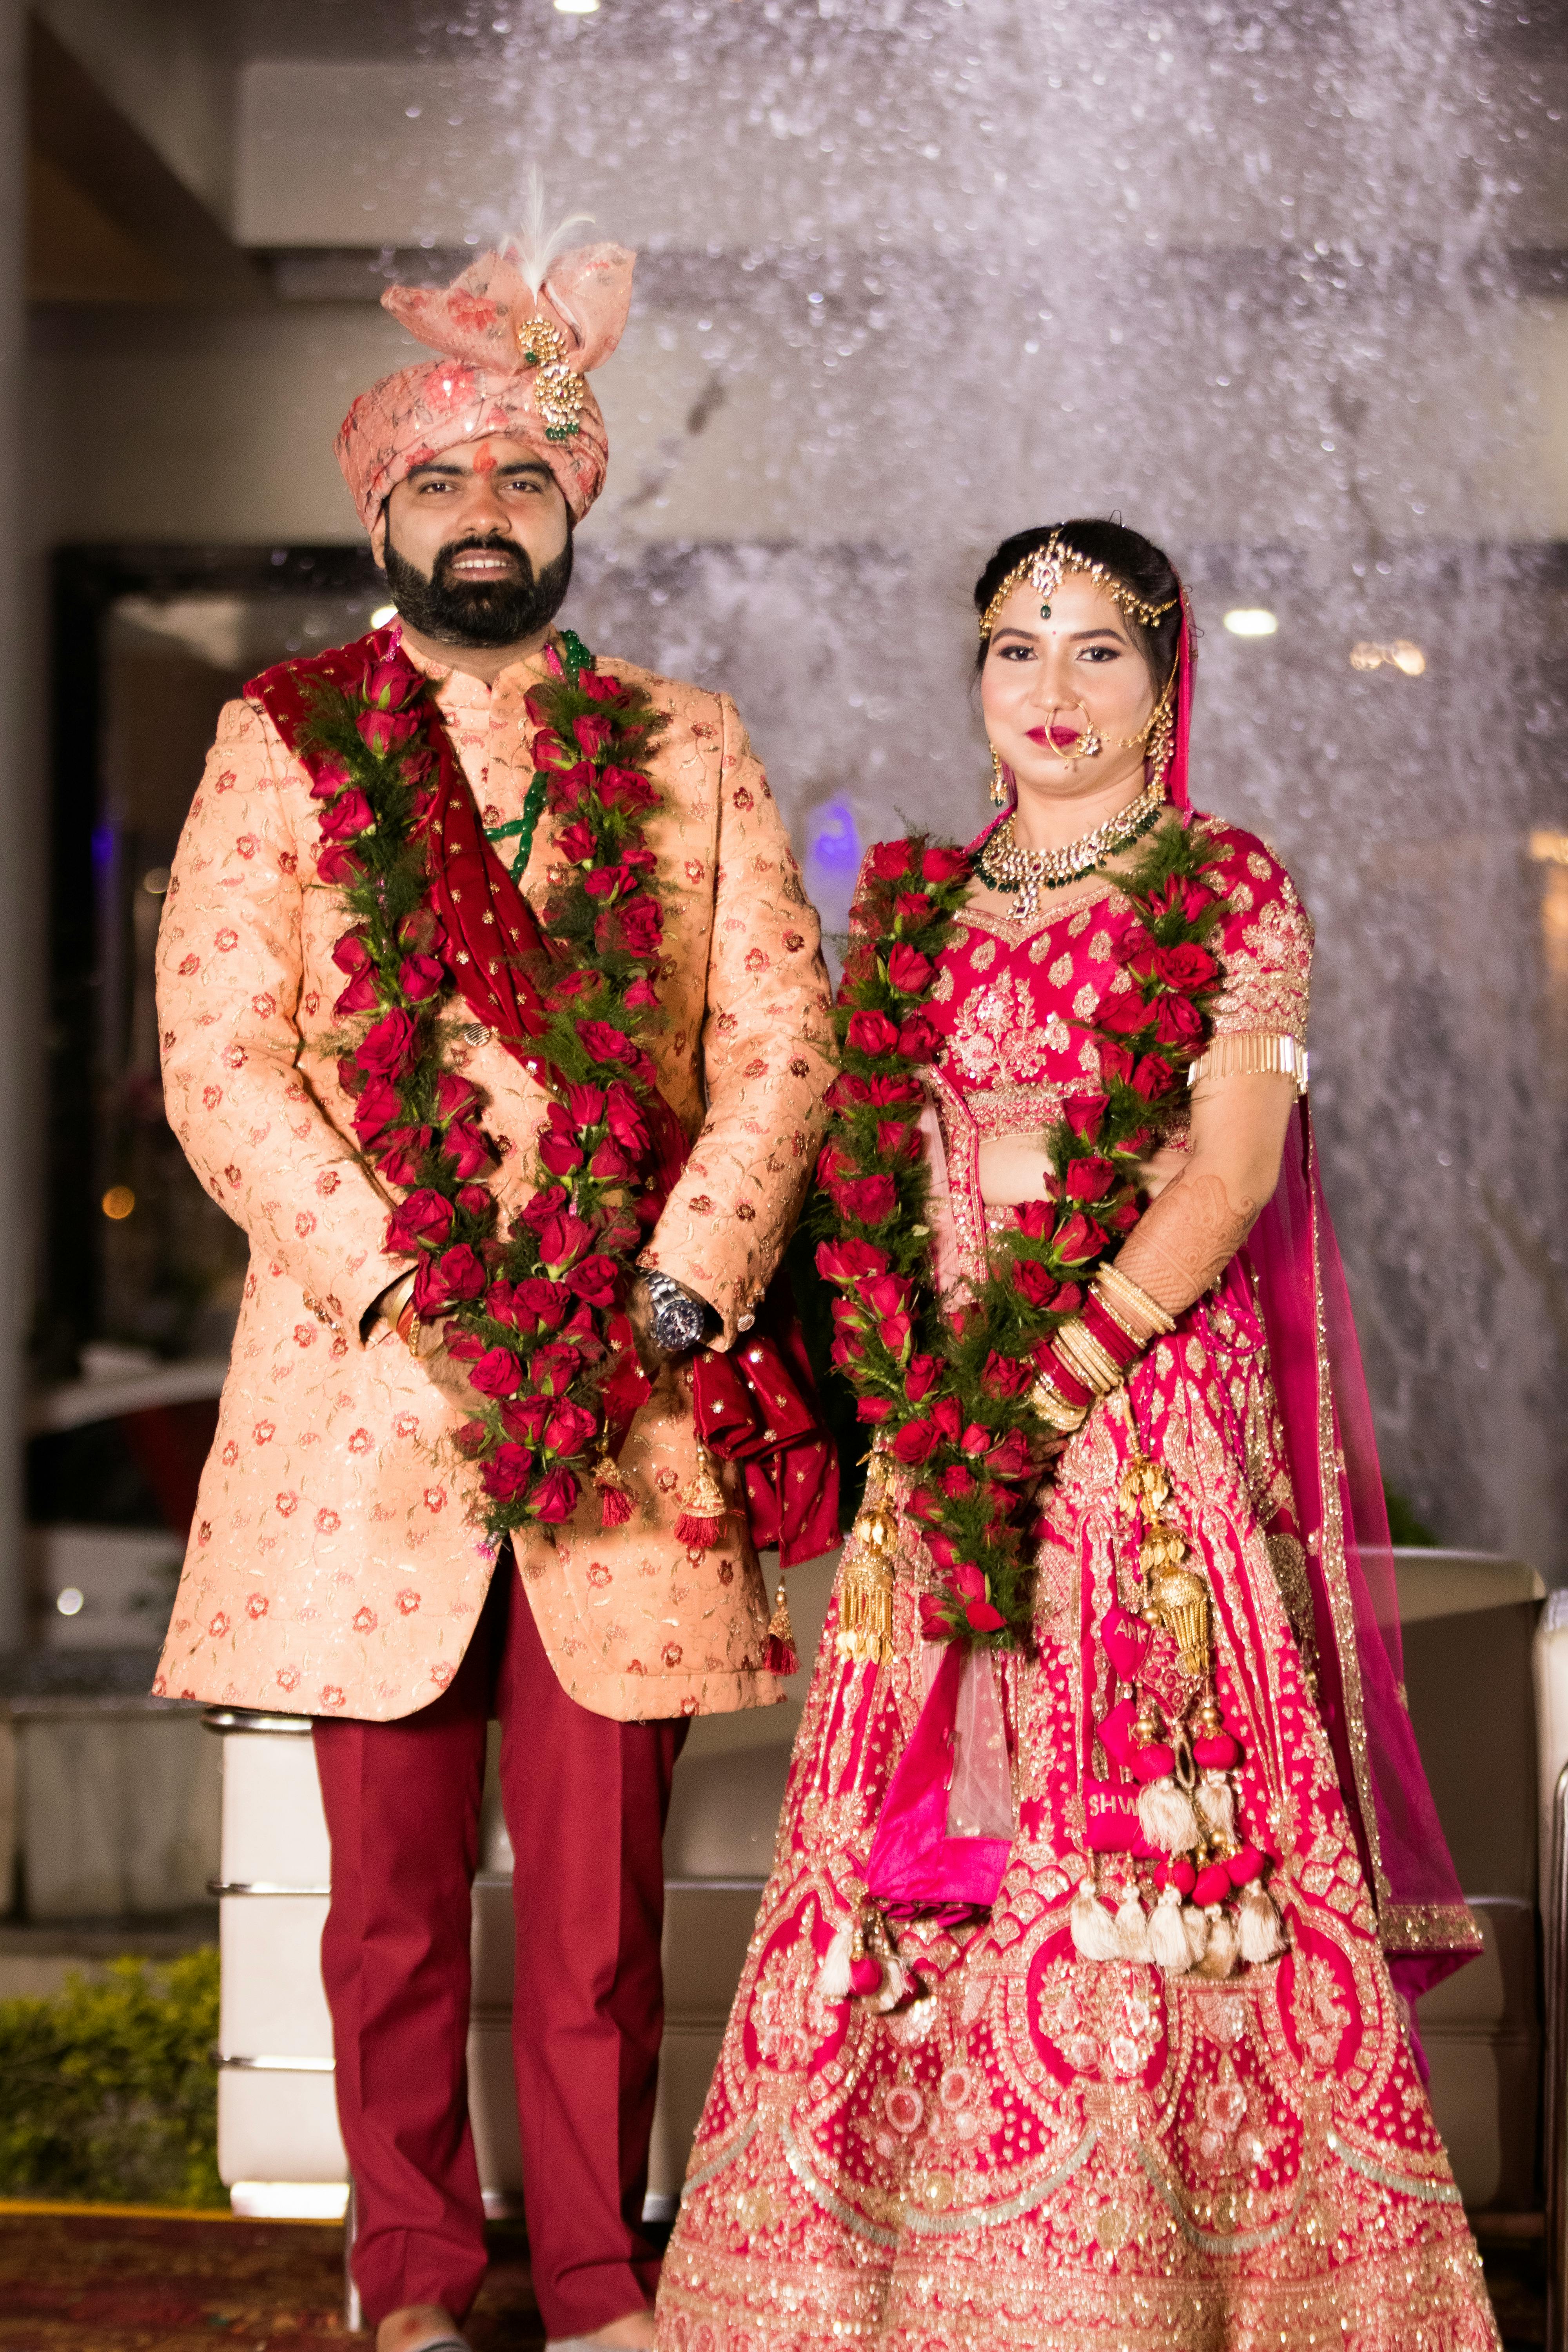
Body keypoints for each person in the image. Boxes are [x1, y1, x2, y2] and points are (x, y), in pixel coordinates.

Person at [657, 521, 1499, 2352]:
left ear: (1167, 677)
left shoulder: (1228, 887)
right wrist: (911, 1384)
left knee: (1142, 1845)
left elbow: (1232, 1168)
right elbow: (868, 1172)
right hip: (939, 1437)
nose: (1054, 689)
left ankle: (1140, 2282)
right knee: (910, 1843)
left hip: (1132, 1428)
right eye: (1016, 648)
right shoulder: (920, 907)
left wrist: (1053, 1379)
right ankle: (871, 2276)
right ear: (973, 675)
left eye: (1099, 651)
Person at [151, 232, 837, 2352]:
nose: (481, 517)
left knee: (603, 1919)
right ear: (382, 518)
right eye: (442, 488)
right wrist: (404, 1282)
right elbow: (219, 1055)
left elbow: (780, 1050)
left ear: (575, 513)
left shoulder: (683, 743)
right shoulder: (280, 744)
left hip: (627, 1386)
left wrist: (681, 1288)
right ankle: (414, 2275)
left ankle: (602, 2276)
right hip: (375, 1403)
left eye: (523, 485)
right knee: (388, 1911)